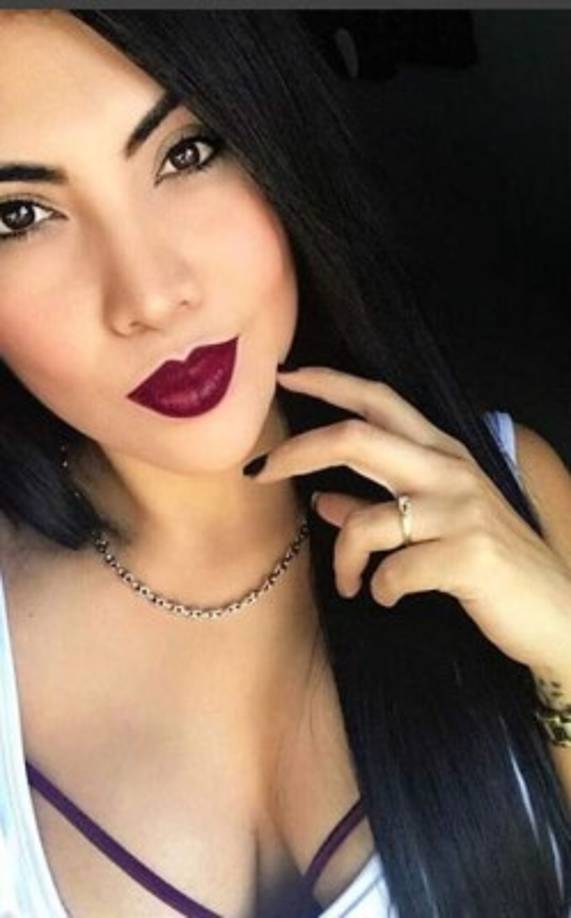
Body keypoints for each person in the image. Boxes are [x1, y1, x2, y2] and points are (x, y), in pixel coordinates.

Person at [0, 10, 570, 918]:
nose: (151, 294)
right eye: (20, 216)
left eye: (186, 153)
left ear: (273, 147)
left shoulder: (507, 494)